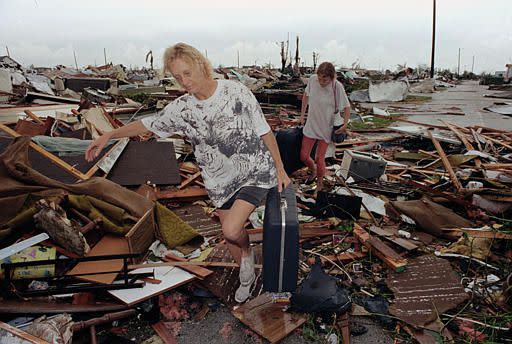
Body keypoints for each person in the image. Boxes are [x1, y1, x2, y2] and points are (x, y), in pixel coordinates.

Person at [85, 43, 291, 303]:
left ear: (201, 65)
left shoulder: (236, 92)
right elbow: (146, 123)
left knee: (230, 229)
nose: (183, 81)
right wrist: (110, 134)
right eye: (177, 76)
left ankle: (248, 252)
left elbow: (264, 131)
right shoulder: (182, 108)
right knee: (231, 239)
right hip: (218, 181)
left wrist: (280, 169)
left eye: (187, 73)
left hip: (254, 170)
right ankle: (246, 270)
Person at [299, 62, 350, 196]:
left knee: (319, 157)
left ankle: (320, 184)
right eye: (320, 78)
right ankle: (313, 170)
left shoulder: (337, 87)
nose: (321, 81)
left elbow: (347, 107)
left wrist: (345, 124)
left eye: (325, 79)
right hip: (312, 123)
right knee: (304, 156)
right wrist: (302, 115)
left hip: (326, 127)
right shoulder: (312, 80)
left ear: (332, 77)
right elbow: (306, 96)